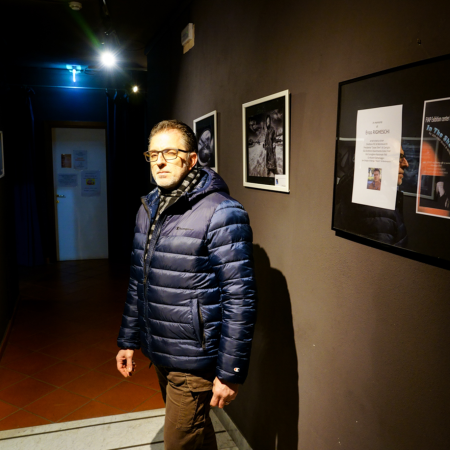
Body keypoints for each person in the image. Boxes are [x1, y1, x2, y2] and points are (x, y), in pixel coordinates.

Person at [116, 120, 257, 450]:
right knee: (198, 434)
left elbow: (240, 299)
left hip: (195, 360)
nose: (160, 162)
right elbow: (139, 281)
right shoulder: (149, 208)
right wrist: (128, 340)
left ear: (192, 159)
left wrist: (231, 371)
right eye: (153, 154)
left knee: (179, 443)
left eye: (170, 152)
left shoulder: (221, 212)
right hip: (161, 350)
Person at [335, 147, 409, 247]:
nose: (406, 164)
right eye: (397, 157)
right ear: (375, 161)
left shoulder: (361, 188)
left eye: (403, 157)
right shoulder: (377, 207)